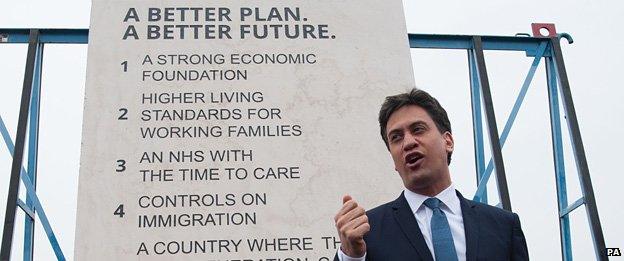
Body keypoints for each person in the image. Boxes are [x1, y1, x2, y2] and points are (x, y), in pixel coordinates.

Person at [333, 88, 528, 261]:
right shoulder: (367, 232)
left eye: (418, 129)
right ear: (393, 160)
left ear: (448, 141)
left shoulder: (503, 226)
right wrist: (351, 257)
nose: (408, 142)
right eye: (396, 137)